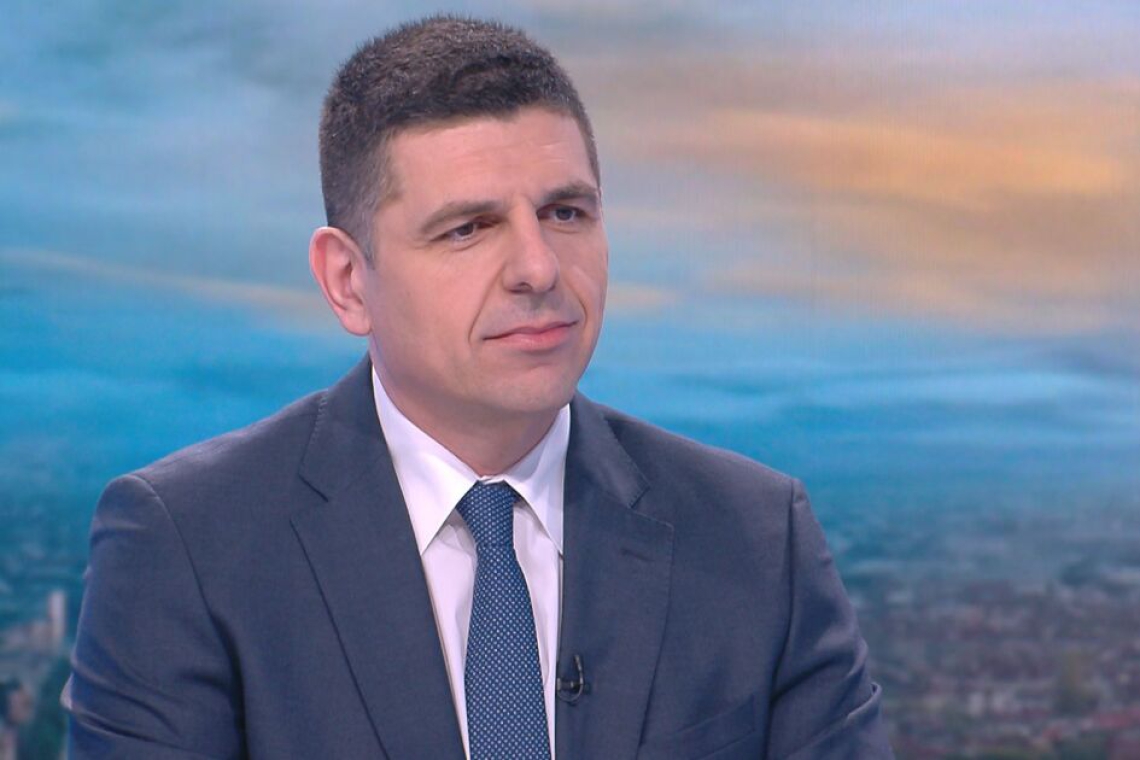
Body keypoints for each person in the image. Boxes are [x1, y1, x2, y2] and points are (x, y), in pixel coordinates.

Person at [64, 14, 893, 760]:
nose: (538, 268)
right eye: (468, 228)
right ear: (348, 281)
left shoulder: (757, 540)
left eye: (566, 213)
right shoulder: (186, 547)